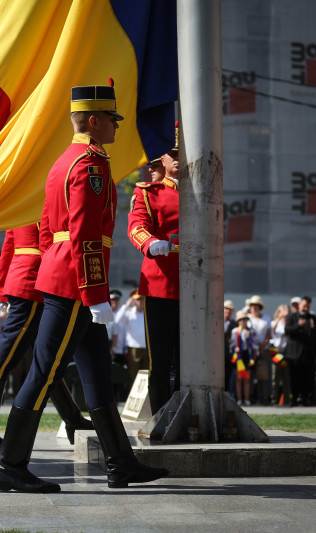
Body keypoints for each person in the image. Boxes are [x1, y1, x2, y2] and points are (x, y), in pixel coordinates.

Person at [0, 82, 167, 493]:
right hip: (74, 285)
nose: (116, 127)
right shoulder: (89, 165)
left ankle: (120, 463)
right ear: (93, 120)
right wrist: (94, 295)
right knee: (44, 373)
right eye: (111, 119)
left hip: (68, 280)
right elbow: (85, 234)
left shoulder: (66, 160)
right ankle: (10, 464)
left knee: (97, 377)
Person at [0, 224, 93, 451]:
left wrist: (1, 288)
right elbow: (46, 242)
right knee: (7, 357)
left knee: (44, 361)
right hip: (33, 282)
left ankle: (72, 419)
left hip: (23, 279)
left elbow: (8, 246)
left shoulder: (24, 201)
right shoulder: (40, 200)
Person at [126, 123, 181, 414]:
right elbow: (136, 226)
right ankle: (160, 415)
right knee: (160, 358)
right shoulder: (150, 192)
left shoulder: (202, 192)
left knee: (189, 358)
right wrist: (150, 243)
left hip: (195, 286)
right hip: (160, 283)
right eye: (173, 153)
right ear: (162, 158)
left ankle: (187, 412)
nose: (178, 157)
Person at [285, 296, 316, 406]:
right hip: (294, 354)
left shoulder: (313, 319)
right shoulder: (292, 317)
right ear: (299, 305)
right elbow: (287, 330)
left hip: (309, 354)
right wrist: (299, 325)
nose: (305, 308)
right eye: (304, 306)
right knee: (294, 377)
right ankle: (295, 398)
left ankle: (307, 398)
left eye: (308, 306)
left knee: (308, 378)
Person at [113, 291, 148, 385]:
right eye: (137, 299)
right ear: (133, 301)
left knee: (146, 375)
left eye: (141, 299)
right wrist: (126, 305)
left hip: (146, 347)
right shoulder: (129, 312)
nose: (140, 301)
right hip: (133, 348)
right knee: (133, 375)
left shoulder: (147, 312)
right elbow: (117, 320)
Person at [245, 295, 271, 404]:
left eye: (256, 306)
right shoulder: (247, 318)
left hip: (263, 350)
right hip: (250, 350)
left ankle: (265, 396)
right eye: (252, 306)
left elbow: (269, 334)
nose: (254, 308)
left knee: (264, 374)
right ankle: (250, 396)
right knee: (250, 374)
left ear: (260, 307)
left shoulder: (266, 318)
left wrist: (263, 346)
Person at [230, 311, 256, 406]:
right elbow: (232, 344)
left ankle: (247, 399)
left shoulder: (251, 331)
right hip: (239, 355)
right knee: (239, 378)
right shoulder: (235, 331)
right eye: (241, 320)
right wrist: (234, 348)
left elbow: (254, 346)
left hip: (248, 355)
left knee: (247, 378)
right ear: (238, 321)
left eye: (244, 319)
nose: (243, 321)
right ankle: (240, 399)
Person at [270, 304, 291, 407]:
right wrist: (280, 317)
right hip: (276, 353)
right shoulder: (275, 323)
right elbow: (272, 330)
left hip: (286, 353)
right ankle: (274, 399)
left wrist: (287, 319)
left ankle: (287, 400)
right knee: (275, 378)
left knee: (286, 378)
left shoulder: (289, 323)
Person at [223, 300, 237, 395]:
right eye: (226, 308)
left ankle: (227, 393)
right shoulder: (216, 321)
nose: (228, 311)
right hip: (217, 355)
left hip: (229, 355)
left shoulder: (234, 324)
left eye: (230, 309)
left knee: (228, 375)